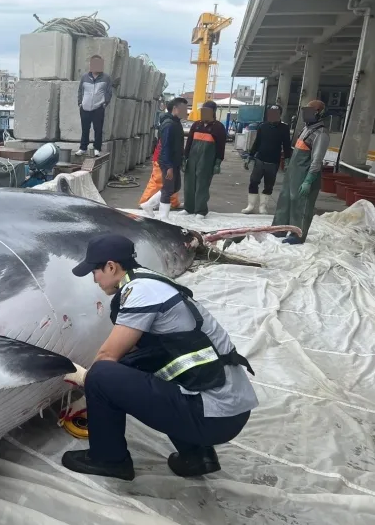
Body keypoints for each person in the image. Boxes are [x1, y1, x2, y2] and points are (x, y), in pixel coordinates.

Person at [61, 233, 258, 481]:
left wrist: (85, 381)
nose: (94, 279)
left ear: (111, 266)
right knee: (135, 366)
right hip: (230, 408)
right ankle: (197, 457)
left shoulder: (139, 292)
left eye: (95, 271)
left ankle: (108, 459)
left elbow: (107, 356)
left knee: (101, 375)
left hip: (213, 415)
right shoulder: (152, 281)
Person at [272, 100, 329, 244]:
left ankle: (297, 235)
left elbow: (317, 160)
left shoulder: (320, 134)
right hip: (293, 173)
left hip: (305, 175)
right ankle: (280, 228)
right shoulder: (306, 129)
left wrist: (308, 181)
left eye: (311, 111)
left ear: (320, 113)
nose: (306, 114)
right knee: (285, 200)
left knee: (301, 205)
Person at [141, 97, 188, 219]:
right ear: (175, 108)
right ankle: (164, 217)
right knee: (168, 189)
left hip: (175, 161)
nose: (186, 112)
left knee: (175, 186)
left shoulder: (176, 123)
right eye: (184, 109)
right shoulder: (168, 125)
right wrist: (169, 166)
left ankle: (148, 204)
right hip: (168, 162)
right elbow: (165, 147)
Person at [242, 105, 292, 214]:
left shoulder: (284, 128)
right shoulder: (262, 126)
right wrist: (250, 156)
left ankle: (263, 207)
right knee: (254, 181)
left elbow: (287, 145)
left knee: (269, 185)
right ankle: (250, 205)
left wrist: (287, 160)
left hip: (273, 161)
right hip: (260, 160)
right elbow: (257, 142)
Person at [183, 100, 227, 219]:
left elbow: (221, 147)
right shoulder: (196, 125)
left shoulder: (218, 127)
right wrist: (184, 157)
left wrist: (218, 163)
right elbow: (189, 142)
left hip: (207, 161)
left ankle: (201, 211)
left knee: (202, 185)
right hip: (192, 159)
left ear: (213, 112)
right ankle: (188, 208)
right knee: (189, 184)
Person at [75, 55, 113, 158]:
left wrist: (104, 103)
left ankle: (97, 148)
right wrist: (80, 103)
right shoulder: (84, 77)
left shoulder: (106, 78)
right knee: (85, 129)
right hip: (85, 107)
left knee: (98, 129)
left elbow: (109, 92)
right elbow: (80, 90)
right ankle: (83, 148)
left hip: (98, 108)